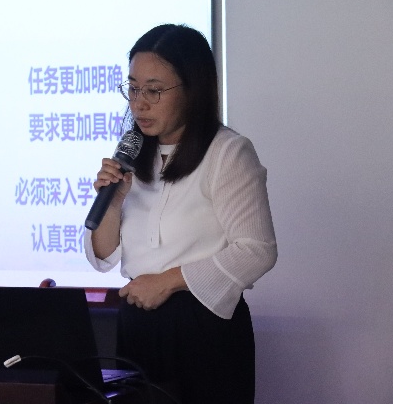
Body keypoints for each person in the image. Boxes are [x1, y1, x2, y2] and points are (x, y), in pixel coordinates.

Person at [84, 24, 277, 403]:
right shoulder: (132, 154)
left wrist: (168, 281)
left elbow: (258, 250)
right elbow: (103, 256)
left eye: (154, 90)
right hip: (136, 327)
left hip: (201, 328)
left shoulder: (228, 153)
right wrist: (115, 200)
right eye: (133, 88)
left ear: (192, 90)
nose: (139, 103)